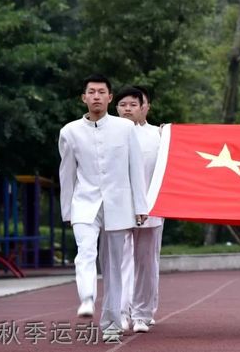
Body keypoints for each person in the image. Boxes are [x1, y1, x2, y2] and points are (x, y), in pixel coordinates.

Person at [59, 75, 148, 341]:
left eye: (101, 92)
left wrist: (140, 205)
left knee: (113, 266)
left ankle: (111, 323)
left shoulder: (125, 129)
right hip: (85, 203)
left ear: (110, 98)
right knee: (85, 250)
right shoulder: (70, 131)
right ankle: (86, 297)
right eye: (91, 92)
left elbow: (136, 169)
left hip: (118, 204)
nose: (96, 96)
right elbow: (67, 174)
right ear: (83, 98)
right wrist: (68, 211)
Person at [116, 86, 163, 333]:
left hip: (150, 208)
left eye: (133, 105)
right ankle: (122, 313)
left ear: (144, 107)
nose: (128, 109)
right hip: (119, 209)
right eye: (123, 105)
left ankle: (142, 314)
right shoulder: (108, 134)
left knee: (146, 262)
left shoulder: (159, 135)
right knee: (121, 262)